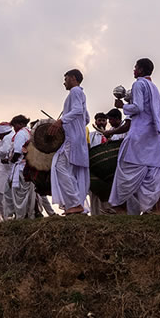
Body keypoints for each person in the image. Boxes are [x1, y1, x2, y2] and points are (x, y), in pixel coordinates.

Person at [108, 58, 160, 214]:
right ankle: (152, 207)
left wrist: (122, 106)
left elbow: (138, 107)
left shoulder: (138, 84)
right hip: (153, 135)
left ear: (140, 70)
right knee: (150, 171)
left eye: (135, 67)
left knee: (124, 165)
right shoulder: (154, 87)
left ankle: (119, 206)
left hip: (139, 133)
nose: (133, 70)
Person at [50, 69, 91, 215]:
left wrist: (61, 121)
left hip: (72, 139)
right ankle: (75, 205)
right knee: (70, 171)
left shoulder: (74, 92)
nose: (64, 82)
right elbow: (86, 118)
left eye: (66, 78)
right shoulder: (81, 93)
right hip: (77, 137)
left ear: (73, 78)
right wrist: (76, 126)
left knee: (59, 166)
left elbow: (79, 111)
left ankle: (74, 203)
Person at [6, 115, 36, 219]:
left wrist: (11, 160)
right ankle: (29, 214)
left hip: (20, 167)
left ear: (20, 124)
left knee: (19, 194)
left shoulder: (20, 134)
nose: (14, 128)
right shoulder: (30, 133)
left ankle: (20, 216)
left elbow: (18, 151)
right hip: (29, 166)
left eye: (15, 126)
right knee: (28, 193)